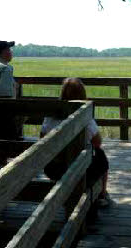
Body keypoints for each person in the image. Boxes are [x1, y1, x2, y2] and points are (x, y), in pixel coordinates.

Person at [40, 78, 111, 208]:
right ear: (82, 94)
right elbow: (97, 142)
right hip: (80, 167)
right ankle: (102, 194)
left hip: (53, 168)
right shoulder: (84, 114)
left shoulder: (51, 113)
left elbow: (43, 137)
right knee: (100, 155)